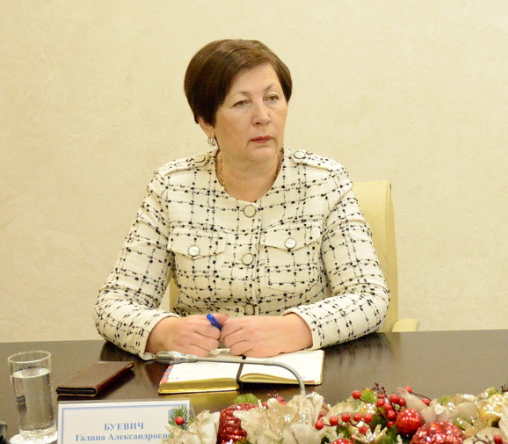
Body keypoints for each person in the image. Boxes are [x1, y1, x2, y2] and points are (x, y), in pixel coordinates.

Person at [94, 39, 390, 358]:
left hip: (299, 372)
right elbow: (113, 304)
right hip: (201, 373)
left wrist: (295, 329)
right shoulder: (173, 186)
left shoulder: (323, 180)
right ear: (206, 121)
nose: (263, 116)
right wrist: (164, 333)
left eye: (272, 98)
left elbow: (369, 296)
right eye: (241, 103)